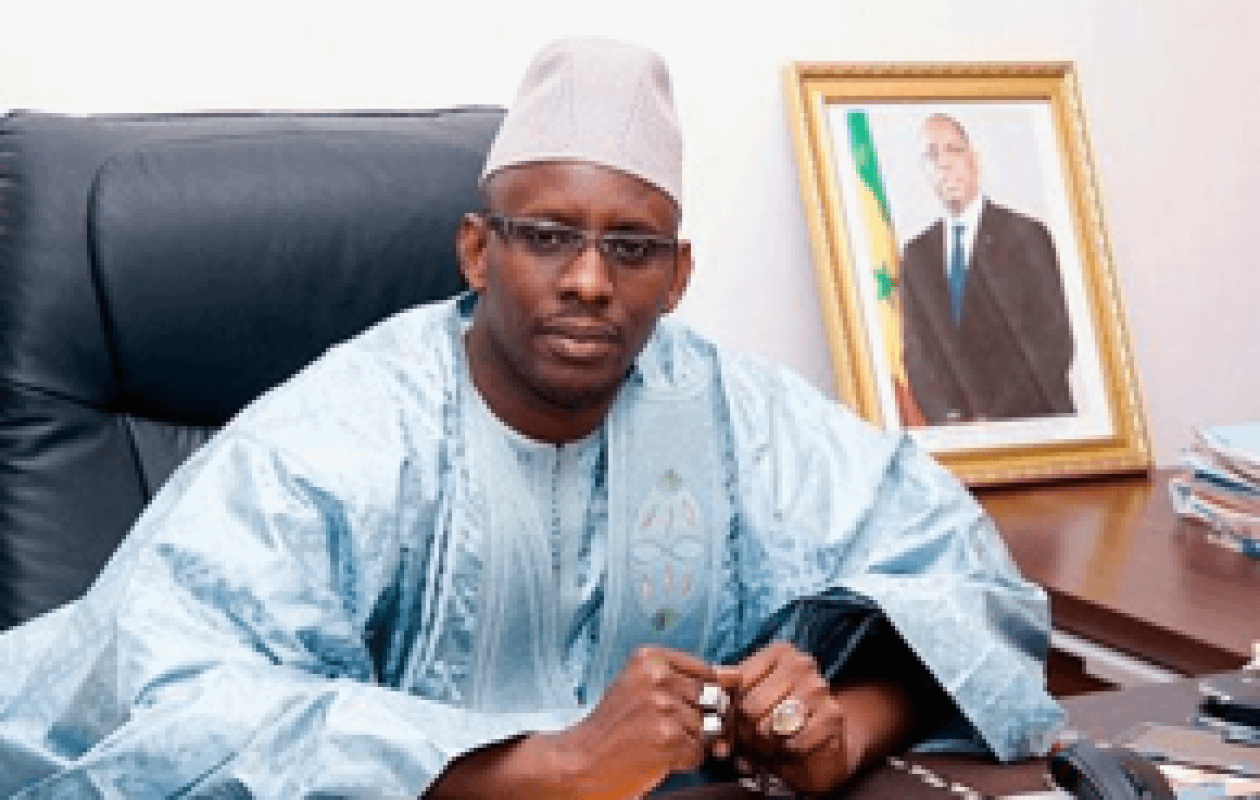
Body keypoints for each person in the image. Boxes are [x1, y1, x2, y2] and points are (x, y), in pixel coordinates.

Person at [0, 38, 1062, 798]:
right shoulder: (346, 433)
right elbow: (165, 694)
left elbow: (969, 584)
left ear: (678, 277)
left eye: (632, 248)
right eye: (548, 235)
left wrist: (840, 729)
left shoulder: (738, 413)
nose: (590, 281)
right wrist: (550, 765)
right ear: (478, 251)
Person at [899, 113, 1076, 426]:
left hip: (1035, 421)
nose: (943, 163)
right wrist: (953, 419)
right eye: (931, 155)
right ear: (923, 171)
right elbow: (919, 356)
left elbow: (1055, 341)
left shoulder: (1027, 235)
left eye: (953, 150)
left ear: (974, 160)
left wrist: (996, 418)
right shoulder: (916, 256)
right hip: (960, 432)